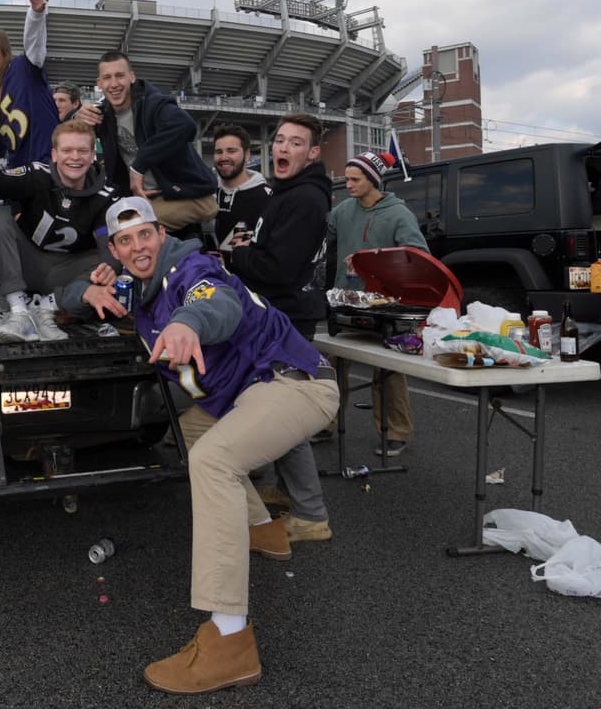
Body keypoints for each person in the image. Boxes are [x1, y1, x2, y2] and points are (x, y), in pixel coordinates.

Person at [59, 197, 337, 694]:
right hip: (247, 392)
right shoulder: (136, 287)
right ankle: (262, 531)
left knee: (212, 461)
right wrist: (87, 292)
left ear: (160, 236)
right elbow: (65, 293)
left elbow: (216, 302)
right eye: (126, 240)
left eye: (145, 234)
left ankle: (230, 640)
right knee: (193, 430)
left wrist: (188, 323)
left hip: (295, 382)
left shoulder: (191, 267)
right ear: (116, 250)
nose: (138, 246)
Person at [227, 114, 333, 542]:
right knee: (269, 407)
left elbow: (280, 268)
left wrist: (237, 257)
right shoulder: (288, 193)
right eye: (280, 141)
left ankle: (311, 514)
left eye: (295, 143)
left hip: (286, 319)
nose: (283, 149)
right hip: (278, 316)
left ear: (313, 153)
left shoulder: (305, 199)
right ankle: (277, 487)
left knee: (282, 414)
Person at [0, 114, 118, 342]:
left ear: (92, 155)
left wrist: (108, 271)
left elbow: (109, 251)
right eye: (67, 150)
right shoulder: (37, 175)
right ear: (54, 154)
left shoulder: (105, 196)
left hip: (67, 274)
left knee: (115, 259)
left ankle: (47, 308)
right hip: (28, 262)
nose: (74, 157)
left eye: (82, 151)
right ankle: (19, 312)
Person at [326, 151, 429, 456]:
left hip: (386, 306)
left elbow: (418, 256)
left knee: (387, 368)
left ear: (373, 180)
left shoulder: (399, 214)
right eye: (347, 179)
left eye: (355, 179)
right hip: (344, 300)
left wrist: (374, 261)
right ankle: (324, 422)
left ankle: (395, 431)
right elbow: (323, 239)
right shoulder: (343, 211)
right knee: (331, 367)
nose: (349, 185)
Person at [77, 51, 218, 232]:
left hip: (187, 196)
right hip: (143, 199)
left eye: (120, 76)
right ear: (99, 83)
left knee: (133, 226)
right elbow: (66, 135)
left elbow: (185, 125)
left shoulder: (153, 103)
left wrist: (139, 166)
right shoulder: (104, 115)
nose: (114, 84)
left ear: (132, 77)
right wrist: (77, 117)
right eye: (107, 78)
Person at [0, 0, 58, 169]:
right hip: (19, 180)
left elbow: (34, 47)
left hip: (46, 171)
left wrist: (35, 14)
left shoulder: (22, 69)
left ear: (5, 55)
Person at [211, 125, 269, 252]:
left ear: (247, 155)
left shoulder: (266, 197)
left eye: (231, 151)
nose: (223, 157)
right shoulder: (207, 192)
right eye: (219, 152)